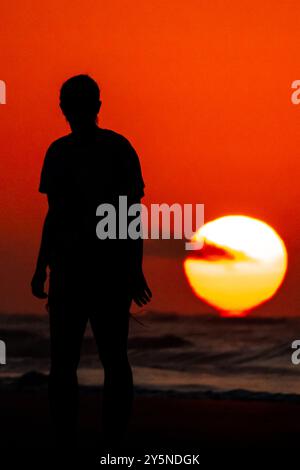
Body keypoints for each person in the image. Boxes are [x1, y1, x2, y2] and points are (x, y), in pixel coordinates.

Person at [31, 74, 152, 450]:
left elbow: (129, 215)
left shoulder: (114, 149)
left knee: (99, 360)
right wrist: (41, 266)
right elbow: (56, 215)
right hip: (78, 272)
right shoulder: (65, 151)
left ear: (93, 107)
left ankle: (104, 442)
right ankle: (81, 440)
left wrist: (134, 269)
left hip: (102, 272)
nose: (75, 112)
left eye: (78, 105)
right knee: (86, 361)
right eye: (72, 105)